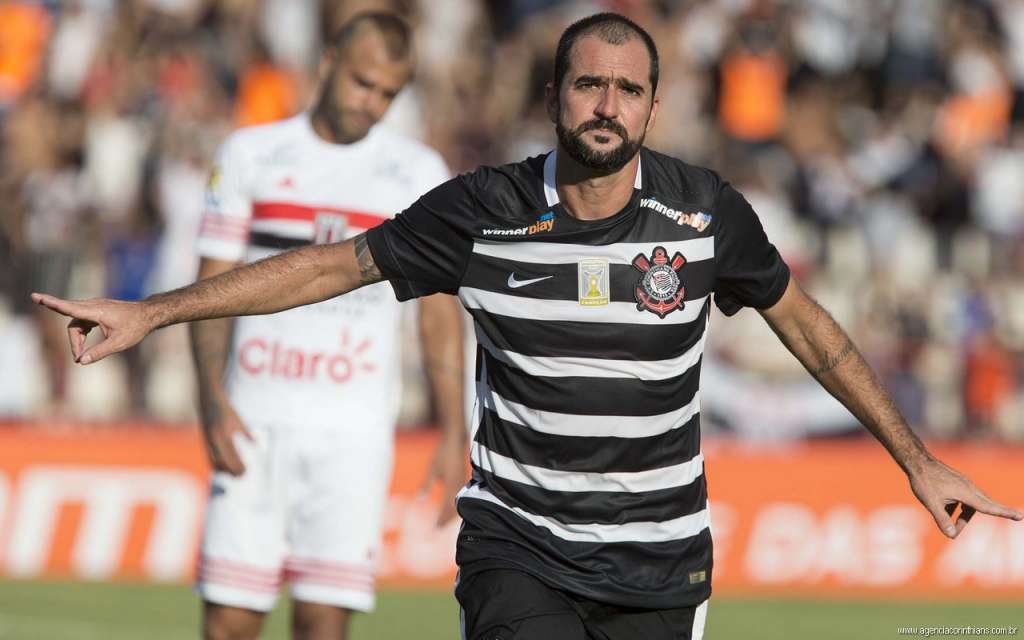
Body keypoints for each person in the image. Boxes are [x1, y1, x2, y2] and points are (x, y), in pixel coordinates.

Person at [32, 12, 1022, 640]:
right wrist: (151, 313)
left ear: (653, 104)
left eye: (626, 88)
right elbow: (335, 264)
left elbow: (812, 331)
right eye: (587, 84)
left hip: (660, 558)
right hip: (520, 544)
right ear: (554, 97)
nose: (606, 104)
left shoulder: (704, 212)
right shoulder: (483, 208)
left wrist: (915, 458)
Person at [189, 12, 466, 640]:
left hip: (353, 432)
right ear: (327, 65)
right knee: (229, 623)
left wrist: (455, 431)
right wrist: (210, 400)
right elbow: (207, 294)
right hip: (254, 418)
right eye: (362, 83)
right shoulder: (252, 153)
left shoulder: (417, 173)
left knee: (323, 625)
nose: (371, 103)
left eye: (388, 94)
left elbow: (438, 312)